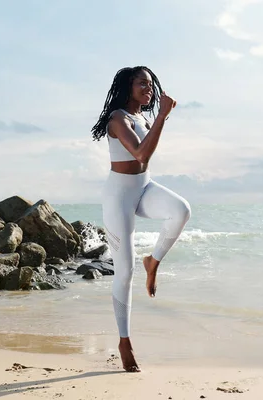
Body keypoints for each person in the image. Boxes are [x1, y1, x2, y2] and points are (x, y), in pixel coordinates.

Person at [91, 66, 191, 372]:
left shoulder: (144, 117)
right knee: (124, 271)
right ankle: (124, 341)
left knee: (181, 210)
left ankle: (154, 261)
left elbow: (144, 163)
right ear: (127, 87)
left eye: (150, 83)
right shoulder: (118, 119)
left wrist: (158, 118)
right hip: (119, 195)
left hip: (143, 187)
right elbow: (140, 155)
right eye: (141, 83)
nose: (148, 88)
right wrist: (163, 116)